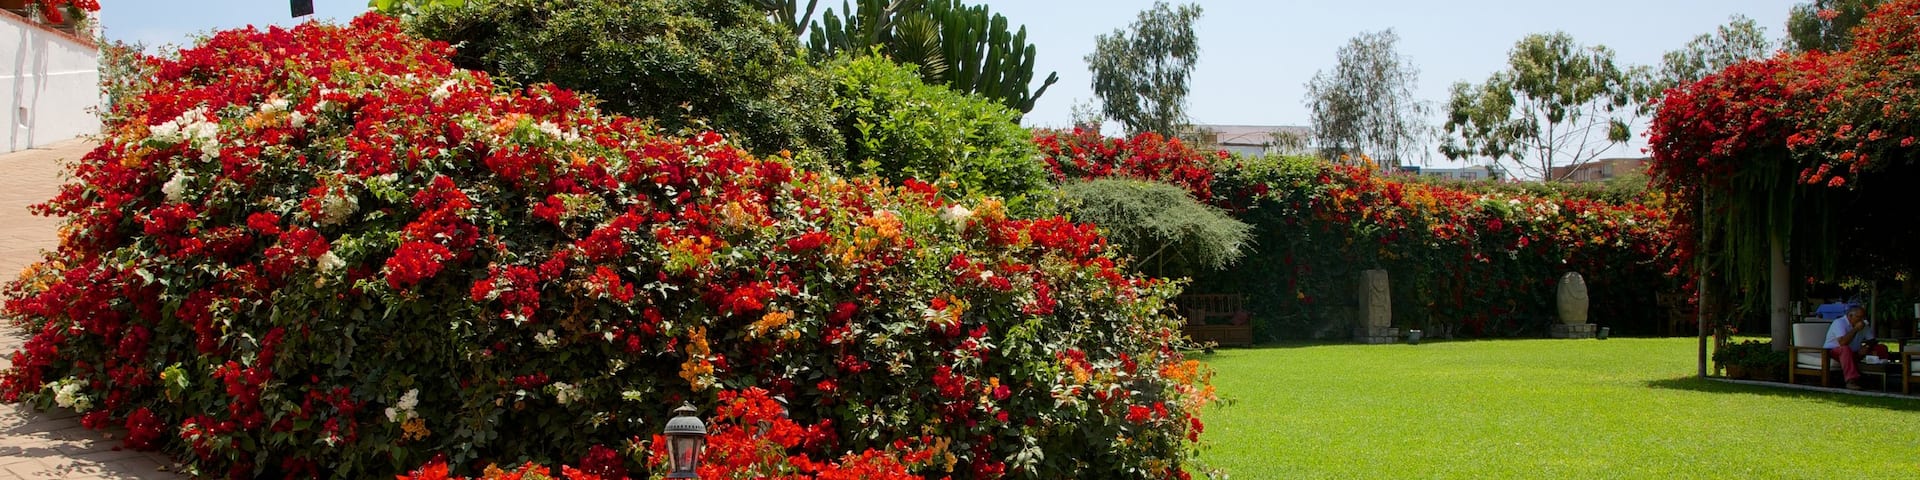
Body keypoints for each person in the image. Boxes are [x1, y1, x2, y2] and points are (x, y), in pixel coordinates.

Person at [1824, 306, 1890, 390]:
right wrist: (1855, 329)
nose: (1861, 320)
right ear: (1850, 316)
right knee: (1845, 349)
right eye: (1859, 317)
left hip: (1855, 352)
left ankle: (1878, 376)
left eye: (1863, 317)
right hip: (1834, 351)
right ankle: (1851, 381)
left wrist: (1866, 347)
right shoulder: (1839, 323)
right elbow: (1842, 342)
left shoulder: (1863, 325)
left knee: (1881, 348)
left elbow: (1872, 340)